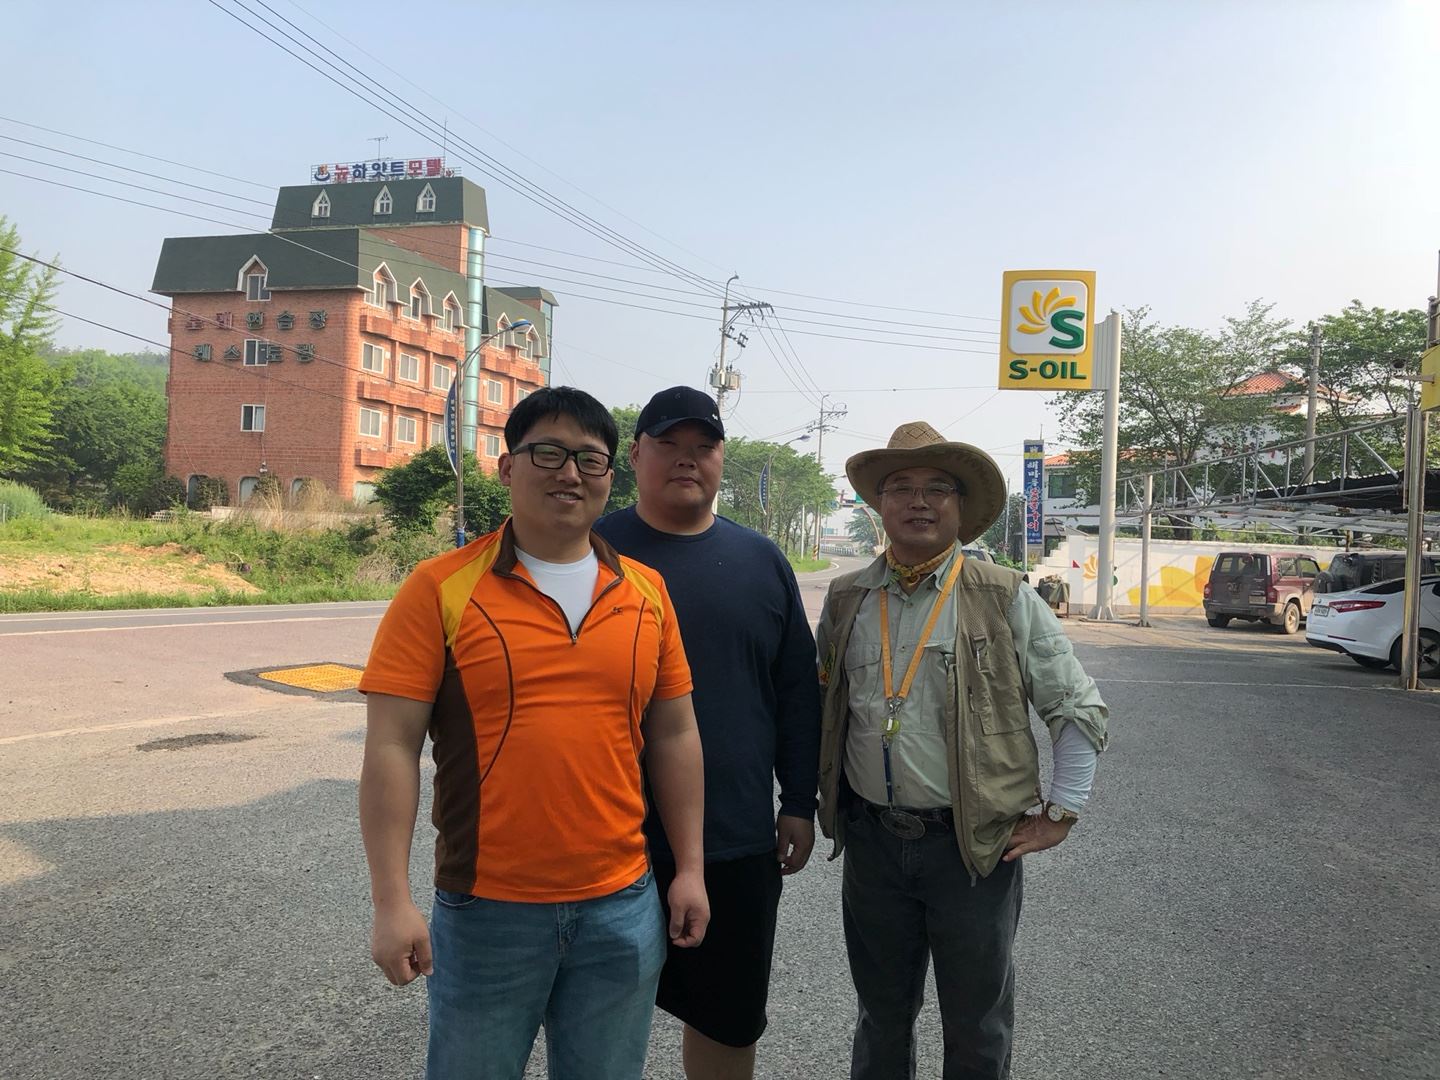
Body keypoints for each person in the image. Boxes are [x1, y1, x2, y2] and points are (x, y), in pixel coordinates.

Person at [358, 386, 709, 1080]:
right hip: (487, 912)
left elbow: (675, 735)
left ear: (609, 476)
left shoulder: (646, 591)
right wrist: (391, 902)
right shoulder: (440, 588)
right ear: (506, 467)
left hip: (622, 907)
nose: (570, 473)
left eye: (590, 458)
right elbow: (392, 744)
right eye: (547, 453)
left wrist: (691, 870)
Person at [815, 421, 1108, 1080]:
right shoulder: (847, 598)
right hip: (872, 843)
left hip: (973, 849)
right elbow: (824, 705)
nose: (918, 501)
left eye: (937, 488)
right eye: (901, 487)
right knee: (880, 1015)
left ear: (960, 504)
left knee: (977, 1023)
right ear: (880, 503)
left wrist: (1061, 812)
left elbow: (1075, 706)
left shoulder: (1002, 594)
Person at [595, 386, 821, 1080]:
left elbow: (796, 691)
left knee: (727, 1019)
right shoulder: (591, 551)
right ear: (636, 457)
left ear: (722, 460)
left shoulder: (762, 560)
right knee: (595, 1024)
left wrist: (798, 802)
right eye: (668, 445)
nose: (687, 460)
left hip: (733, 837)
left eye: (704, 447)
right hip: (604, 837)